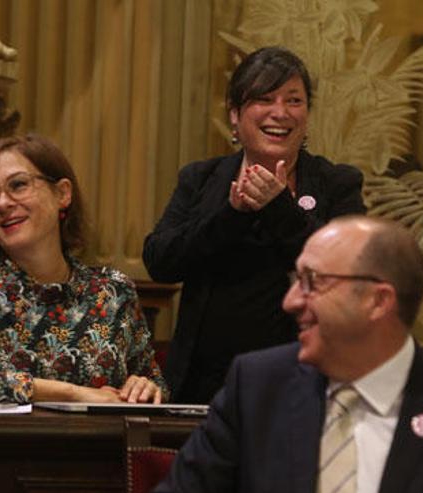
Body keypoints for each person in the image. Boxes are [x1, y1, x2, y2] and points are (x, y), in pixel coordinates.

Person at [153, 216, 423, 493]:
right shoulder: (257, 388)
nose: (290, 301)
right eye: (295, 281)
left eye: (311, 283)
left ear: (378, 301)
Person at [143, 46, 366, 403]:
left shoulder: (337, 184)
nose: (280, 113)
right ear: (235, 114)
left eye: (294, 100)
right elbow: (161, 261)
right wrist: (232, 214)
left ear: (307, 114)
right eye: (264, 99)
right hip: (205, 388)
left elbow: (349, 269)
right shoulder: (200, 179)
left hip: (304, 383)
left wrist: (280, 208)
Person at [0, 134, 168, 404]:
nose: (2, 203)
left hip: (101, 445)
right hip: (7, 446)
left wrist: (144, 385)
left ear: (63, 194)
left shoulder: (113, 291)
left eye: (18, 185)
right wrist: (72, 394)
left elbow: (154, 380)